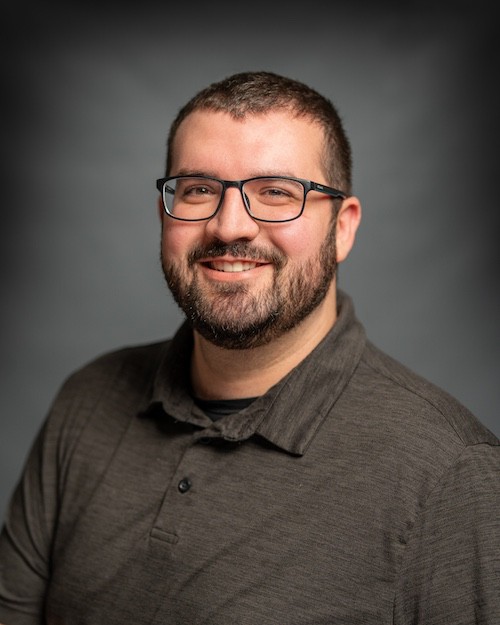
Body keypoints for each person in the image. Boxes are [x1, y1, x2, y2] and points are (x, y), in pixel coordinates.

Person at [0, 71, 498, 625]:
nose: (229, 226)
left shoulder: (451, 473)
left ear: (342, 228)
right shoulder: (87, 402)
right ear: (165, 214)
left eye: (277, 192)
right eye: (198, 189)